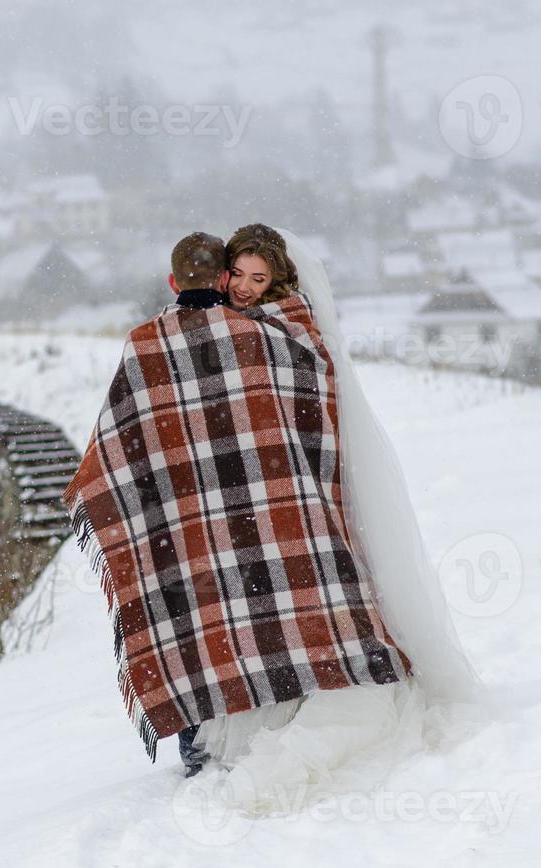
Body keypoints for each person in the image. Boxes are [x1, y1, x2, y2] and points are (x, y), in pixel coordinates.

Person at [62, 231, 417, 780]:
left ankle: (198, 741)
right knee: (277, 608)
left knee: (194, 612)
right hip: (273, 509)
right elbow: (315, 406)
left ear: (174, 282)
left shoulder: (144, 346)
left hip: (186, 519)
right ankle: (283, 702)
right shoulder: (268, 337)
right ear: (224, 278)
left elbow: (114, 453)